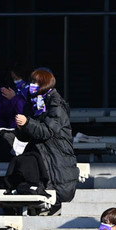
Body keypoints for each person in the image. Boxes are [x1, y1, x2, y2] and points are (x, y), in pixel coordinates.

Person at [14, 69, 79, 209]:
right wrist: (21, 128)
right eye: (31, 81)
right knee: (19, 164)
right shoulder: (32, 103)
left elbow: (46, 131)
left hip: (54, 153)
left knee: (25, 164)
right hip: (38, 150)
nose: (32, 85)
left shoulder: (56, 105)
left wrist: (27, 123)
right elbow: (26, 136)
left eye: (36, 82)